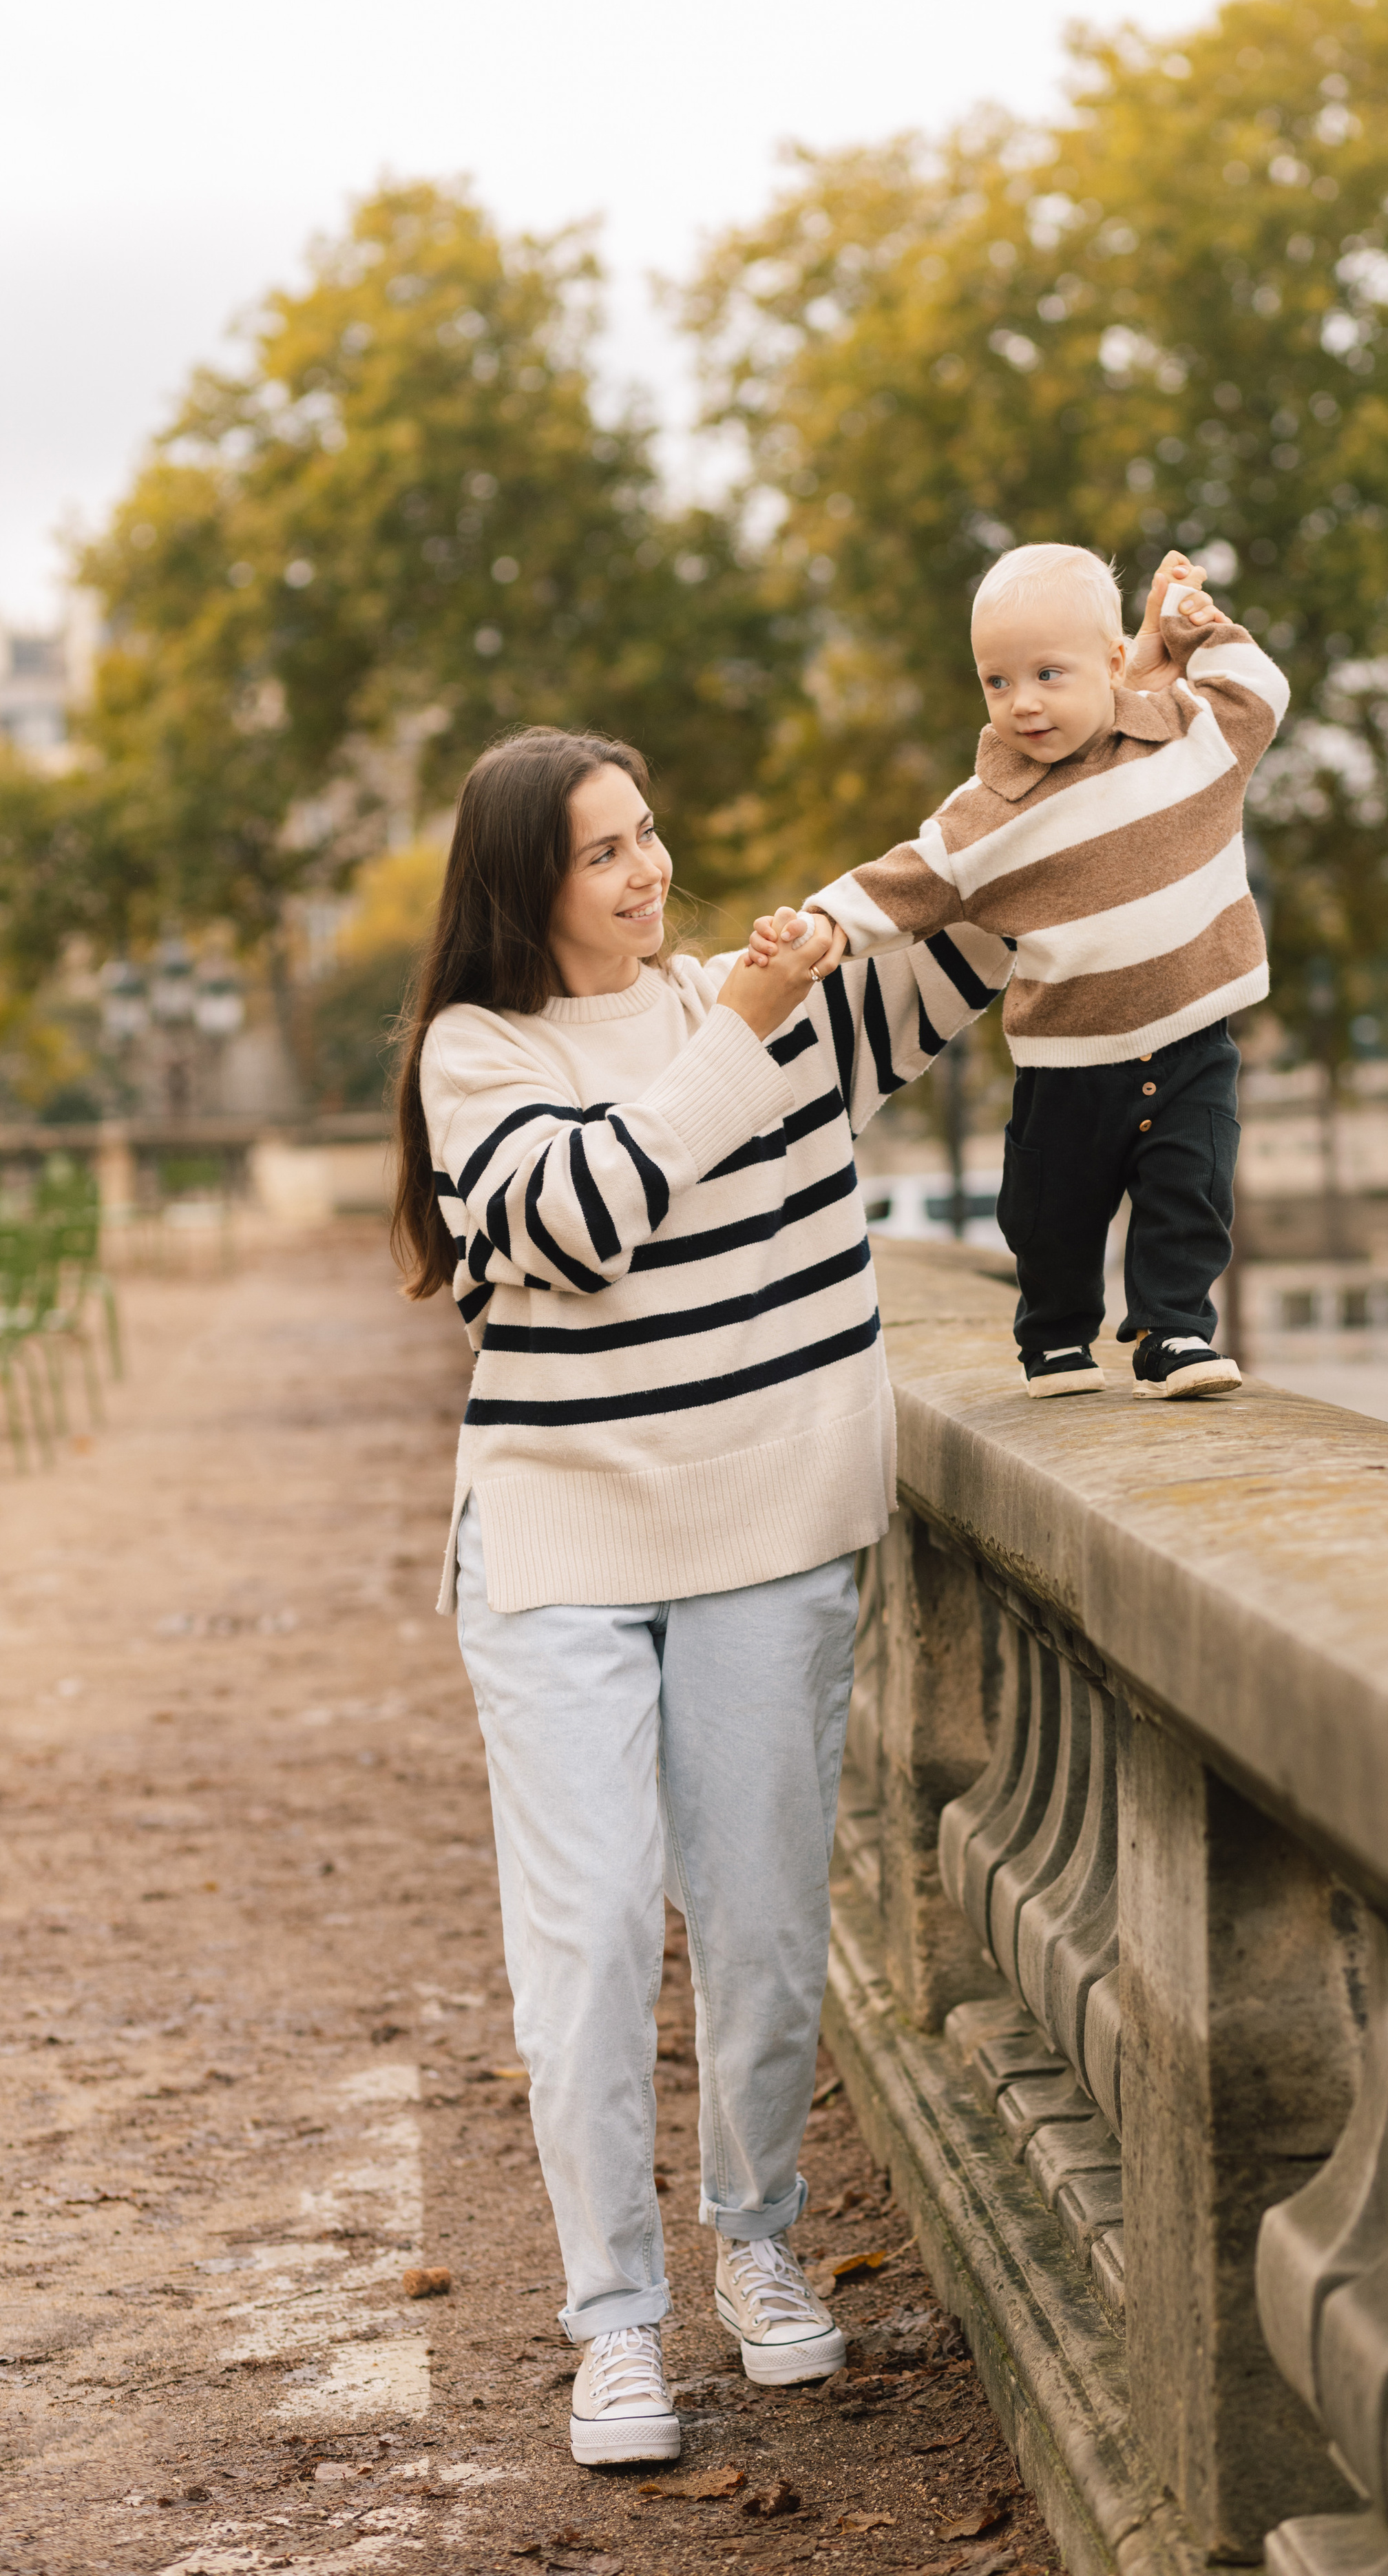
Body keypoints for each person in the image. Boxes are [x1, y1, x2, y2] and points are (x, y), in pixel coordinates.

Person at [388, 725, 1011, 2467]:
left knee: (756, 1922)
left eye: (649, 833)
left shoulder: (763, 997)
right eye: (603, 851)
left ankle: (754, 2239)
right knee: (585, 1944)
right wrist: (740, 1022)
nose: (647, 870)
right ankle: (613, 2322)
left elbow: (981, 930)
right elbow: (578, 1216)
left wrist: (1110, 739)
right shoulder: (476, 1052)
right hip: (559, 1541)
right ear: (528, 884)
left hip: (765, 1529)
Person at [749, 547, 1289, 1400]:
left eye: (1047, 674)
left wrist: (1197, 631)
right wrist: (822, 924)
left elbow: (1260, 690)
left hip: (1192, 1042)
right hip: (1068, 1061)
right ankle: (1054, 1337)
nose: (1023, 702)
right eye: (997, 683)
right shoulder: (990, 812)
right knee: (1051, 1215)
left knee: (1190, 1197)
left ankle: (1173, 1333)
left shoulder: (1189, 736)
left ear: (1114, 662)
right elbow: (908, 880)